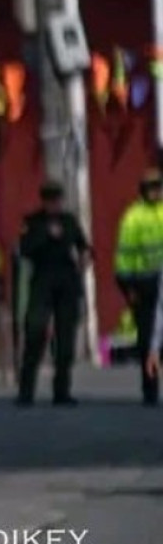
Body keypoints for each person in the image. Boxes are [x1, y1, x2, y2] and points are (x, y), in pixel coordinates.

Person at [15, 180, 90, 406]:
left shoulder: (69, 221)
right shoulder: (33, 222)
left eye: (57, 199)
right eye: (50, 200)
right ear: (44, 200)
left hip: (67, 283)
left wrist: (84, 260)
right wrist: (46, 235)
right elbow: (24, 250)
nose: (54, 204)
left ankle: (62, 392)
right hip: (42, 283)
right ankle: (26, 392)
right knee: (35, 334)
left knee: (65, 342)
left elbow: (82, 245)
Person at [114, 168, 163, 405]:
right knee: (147, 339)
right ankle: (150, 389)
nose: (155, 192)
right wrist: (127, 288)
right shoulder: (133, 217)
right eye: (151, 188)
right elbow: (124, 256)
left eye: (158, 187)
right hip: (143, 284)